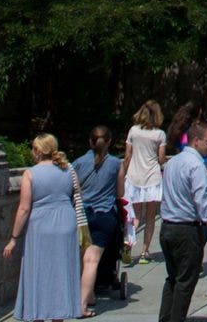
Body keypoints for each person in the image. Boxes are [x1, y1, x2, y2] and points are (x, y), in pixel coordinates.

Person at [4, 134, 84, 322]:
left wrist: (14, 238)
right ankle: (59, 317)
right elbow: (77, 193)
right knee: (60, 274)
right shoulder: (67, 169)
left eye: (33, 148)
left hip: (41, 225)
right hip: (65, 222)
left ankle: (37, 315)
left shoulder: (30, 173)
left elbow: (24, 208)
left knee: (38, 274)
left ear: (39, 151)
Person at [159, 120, 207, 322]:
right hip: (186, 229)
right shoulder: (196, 165)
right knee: (185, 281)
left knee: (173, 278)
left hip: (168, 227)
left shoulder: (173, 162)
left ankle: (166, 318)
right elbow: (202, 199)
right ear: (195, 141)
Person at [78, 124, 129, 310]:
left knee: (84, 257)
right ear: (109, 142)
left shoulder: (78, 163)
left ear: (89, 142)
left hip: (82, 215)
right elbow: (120, 193)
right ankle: (83, 303)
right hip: (104, 214)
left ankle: (88, 294)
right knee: (92, 259)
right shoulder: (116, 164)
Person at [127, 102, 169, 264]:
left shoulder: (133, 131)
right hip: (152, 177)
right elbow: (161, 158)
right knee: (151, 216)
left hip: (134, 176)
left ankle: (128, 243)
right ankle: (145, 252)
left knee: (136, 216)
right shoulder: (159, 134)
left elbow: (128, 154)